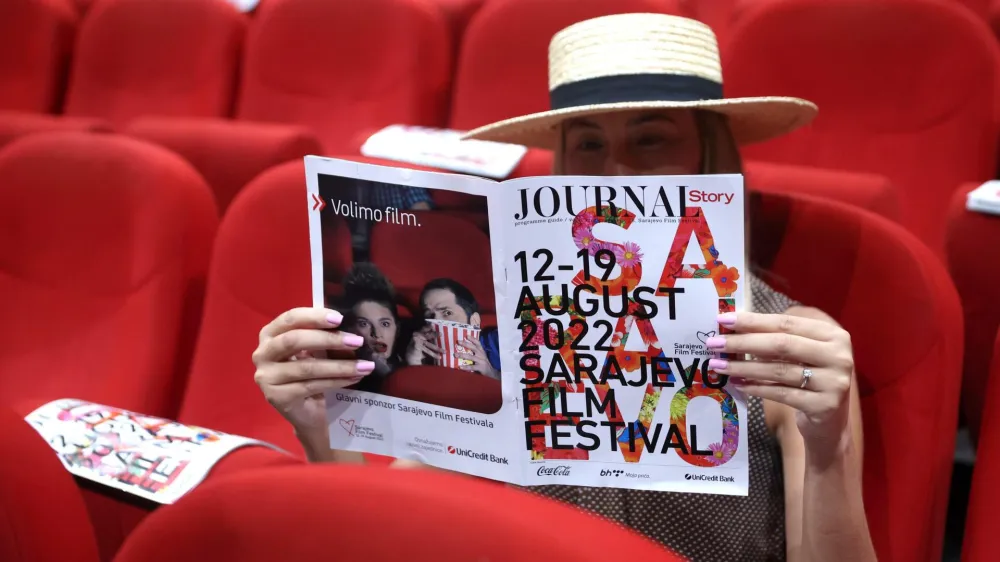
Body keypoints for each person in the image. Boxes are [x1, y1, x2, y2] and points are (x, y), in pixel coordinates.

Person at [253, 13, 875, 562]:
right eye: (589, 144)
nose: (615, 170)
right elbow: (391, 527)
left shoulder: (786, 342)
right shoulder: (514, 324)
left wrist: (829, 450)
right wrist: (318, 422)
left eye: (651, 138)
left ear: (710, 156)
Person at [406, 278, 502, 379]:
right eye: (429, 315)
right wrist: (414, 365)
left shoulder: (498, 343)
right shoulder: (420, 351)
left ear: (474, 321)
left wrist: (493, 374)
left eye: (447, 313)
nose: (435, 322)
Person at [331, 263, 404, 392]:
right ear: (349, 329)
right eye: (364, 324)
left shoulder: (411, 363)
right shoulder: (338, 376)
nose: (376, 334)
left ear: (397, 329)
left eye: (385, 324)